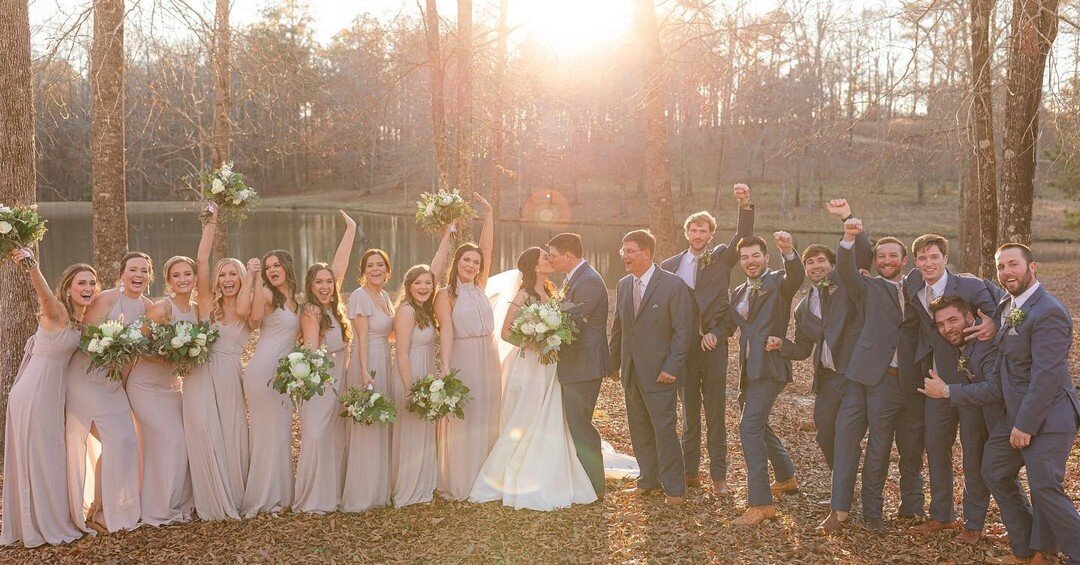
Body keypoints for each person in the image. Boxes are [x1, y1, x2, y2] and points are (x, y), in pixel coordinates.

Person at [921, 244, 1080, 565]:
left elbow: (1047, 376)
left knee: (1046, 488)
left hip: (1047, 415)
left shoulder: (1049, 311)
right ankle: (1027, 549)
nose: (1007, 271)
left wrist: (1025, 424)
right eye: (1001, 266)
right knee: (993, 468)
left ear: (1032, 267)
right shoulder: (1007, 304)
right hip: (1017, 411)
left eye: (1014, 264)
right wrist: (994, 323)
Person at [468, 247, 597, 510]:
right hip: (529, 365)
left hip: (550, 367)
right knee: (524, 417)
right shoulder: (523, 294)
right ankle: (507, 475)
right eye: (545, 258)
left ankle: (547, 468)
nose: (550, 260)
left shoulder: (550, 292)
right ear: (535, 266)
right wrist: (534, 341)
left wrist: (552, 336)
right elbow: (506, 333)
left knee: (549, 415)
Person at [659, 183, 753, 494]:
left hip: (713, 346)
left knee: (715, 413)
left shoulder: (721, 258)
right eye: (694, 230)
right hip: (684, 349)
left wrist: (744, 203)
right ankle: (690, 473)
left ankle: (719, 476)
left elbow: (742, 236)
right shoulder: (670, 266)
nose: (699, 236)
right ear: (687, 233)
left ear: (711, 234)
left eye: (704, 231)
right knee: (689, 414)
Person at [903, 234, 1000, 537]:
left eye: (933, 257)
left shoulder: (971, 286)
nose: (928, 263)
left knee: (973, 452)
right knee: (935, 447)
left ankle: (974, 524)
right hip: (937, 382)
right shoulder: (913, 285)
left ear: (946, 258)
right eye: (921, 258)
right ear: (916, 262)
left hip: (971, 383)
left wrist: (992, 324)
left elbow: (999, 310)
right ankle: (942, 514)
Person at [1, 250, 95, 547]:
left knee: (50, 456)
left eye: (92, 283)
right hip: (35, 392)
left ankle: (50, 515)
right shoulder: (58, 313)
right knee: (41, 456)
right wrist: (32, 266)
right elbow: (43, 296)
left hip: (52, 396)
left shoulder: (81, 321)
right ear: (68, 288)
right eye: (82, 283)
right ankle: (38, 524)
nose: (88, 289)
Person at [836, 218, 923, 531]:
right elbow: (846, 269)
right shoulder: (866, 285)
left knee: (913, 447)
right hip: (881, 379)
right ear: (874, 262)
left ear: (904, 260)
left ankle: (912, 508)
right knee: (879, 447)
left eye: (892, 255)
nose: (886, 260)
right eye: (881, 256)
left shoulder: (917, 286)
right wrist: (849, 236)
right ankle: (873, 514)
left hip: (915, 383)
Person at [917, 295, 1016, 545]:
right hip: (974, 404)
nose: (947, 328)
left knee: (992, 469)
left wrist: (946, 391)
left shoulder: (986, 341)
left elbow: (994, 388)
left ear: (970, 317)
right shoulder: (962, 345)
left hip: (1006, 416)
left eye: (953, 320)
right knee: (977, 462)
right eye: (941, 324)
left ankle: (1017, 530)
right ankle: (986, 527)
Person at [66, 252, 153, 533]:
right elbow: (85, 339)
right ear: (122, 274)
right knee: (116, 441)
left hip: (114, 383)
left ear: (149, 276)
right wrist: (110, 346)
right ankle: (100, 510)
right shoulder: (106, 298)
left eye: (143, 270)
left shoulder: (147, 308)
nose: (138, 275)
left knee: (126, 441)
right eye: (132, 270)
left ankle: (103, 505)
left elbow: (134, 356)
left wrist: (125, 386)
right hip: (87, 378)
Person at [609, 229, 692, 506]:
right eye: (623, 251)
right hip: (631, 371)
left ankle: (675, 489)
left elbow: (683, 331)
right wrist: (614, 363)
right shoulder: (623, 285)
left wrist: (672, 366)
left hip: (661, 373)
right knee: (640, 428)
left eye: (629, 251)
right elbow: (619, 329)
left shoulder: (672, 285)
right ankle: (648, 480)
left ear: (646, 253)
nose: (625, 256)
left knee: (664, 430)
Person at [728, 231, 803, 526]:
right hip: (749, 368)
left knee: (748, 428)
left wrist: (788, 250)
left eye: (755, 255)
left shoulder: (778, 282)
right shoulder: (738, 292)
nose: (750, 261)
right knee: (756, 423)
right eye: (745, 257)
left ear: (766, 257)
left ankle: (760, 504)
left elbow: (795, 276)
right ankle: (786, 477)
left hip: (771, 365)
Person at [185, 207, 253, 520]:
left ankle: (233, 494)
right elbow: (200, 261)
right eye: (222, 274)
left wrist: (252, 276)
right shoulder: (207, 303)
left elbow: (246, 308)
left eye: (232, 274)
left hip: (228, 375)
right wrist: (212, 221)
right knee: (204, 432)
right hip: (199, 374)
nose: (227, 279)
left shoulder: (246, 308)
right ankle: (209, 498)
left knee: (232, 432)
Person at [434, 193, 501, 501]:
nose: (472, 265)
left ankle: (485, 476)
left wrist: (488, 214)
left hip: (488, 354)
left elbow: (486, 247)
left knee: (488, 411)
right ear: (456, 263)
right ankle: (462, 479)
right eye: (466, 260)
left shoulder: (480, 286)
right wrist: (446, 367)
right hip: (463, 355)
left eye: (475, 262)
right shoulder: (446, 294)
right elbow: (446, 330)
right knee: (467, 413)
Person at [126, 255, 197, 526]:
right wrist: (174, 359)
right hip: (145, 386)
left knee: (182, 442)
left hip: (171, 387)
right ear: (168, 281)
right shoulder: (161, 309)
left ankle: (179, 502)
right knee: (172, 440)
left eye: (187, 274)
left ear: (194, 277)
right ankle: (158, 508)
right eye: (176, 275)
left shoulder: (196, 310)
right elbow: (139, 345)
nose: (183, 280)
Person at [293, 212, 357, 514]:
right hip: (318, 382)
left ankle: (330, 494)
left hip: (337, 380)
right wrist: (320, 384)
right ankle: (311, 498)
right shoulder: (312, 312)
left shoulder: (334, 307)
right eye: (319, 281)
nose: (325, 285)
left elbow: (340, 264)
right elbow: (310, 351)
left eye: (329, 281)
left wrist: (351, 229)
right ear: (310, 284)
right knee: (316, 435)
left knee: (331, 435)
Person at [547, 231, 611, 499]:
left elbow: (571, 323)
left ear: (568, 256)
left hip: (584, 365)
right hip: (576, 365)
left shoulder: (590, 282)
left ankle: (594, 487)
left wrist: (543, 332)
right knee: (576, 422)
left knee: (581, 425)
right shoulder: (576, 278)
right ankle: (583, 480)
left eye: (553, 257)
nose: (551, 262)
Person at [240, 243, 302, 517]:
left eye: (277, 265)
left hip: (286, 375)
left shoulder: (298, 300)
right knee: (266, 432)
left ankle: (282, 493)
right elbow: (253, 320)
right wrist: (253, 279)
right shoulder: (265, 293)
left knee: (282, 432)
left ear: (288, 267)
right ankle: (263, 497)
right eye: (268, 267)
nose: (273, 270)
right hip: (263, 371)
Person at [389, 265, 440, 507]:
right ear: (409, 286)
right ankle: (407, 488)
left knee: (423, 428)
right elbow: (401, 353)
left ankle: (422, 484)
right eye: (418, 283)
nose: (423, 287)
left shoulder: (424, 311)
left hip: (425, 371)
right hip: (410, 374)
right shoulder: (407, 311)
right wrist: (410, 389)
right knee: (411, 430)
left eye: (428, 283)